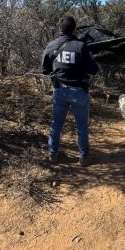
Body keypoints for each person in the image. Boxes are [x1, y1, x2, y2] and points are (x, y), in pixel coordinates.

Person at [41, 16, 99, 166]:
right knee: (82, 126)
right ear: (74, 29)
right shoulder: (80, 46)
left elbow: (45, 69)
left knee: (56, 124)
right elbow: (94, 70)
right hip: (78, 92)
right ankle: (84, 157)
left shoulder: (51, 45)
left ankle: (53, 155)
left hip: (59, 91)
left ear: (60, 29)